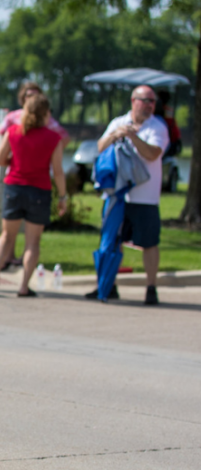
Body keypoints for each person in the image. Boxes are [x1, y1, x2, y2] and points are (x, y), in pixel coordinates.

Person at [88, 85, 168, 305]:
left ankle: (151, 288)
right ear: (133, 101)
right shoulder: (117, 122)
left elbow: (153, 154)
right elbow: (100, 147)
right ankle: (107, 284)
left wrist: (133, 137)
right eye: (146, 100)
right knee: (113, 240)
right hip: (117, 195)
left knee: (149, 242)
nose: (150, 105)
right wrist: (116, 134)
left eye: (153, 102)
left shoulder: (157, 127)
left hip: (146, 197)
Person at [0, 93, 67, 297]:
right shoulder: (53, 138)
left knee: (6, 236)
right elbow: (57, 171)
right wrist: (63, 196)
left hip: (14, 187)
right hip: (39, 190)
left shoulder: (13, 132)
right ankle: (23, 286)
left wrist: (13, 161)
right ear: (46, 113)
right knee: (32, 242)